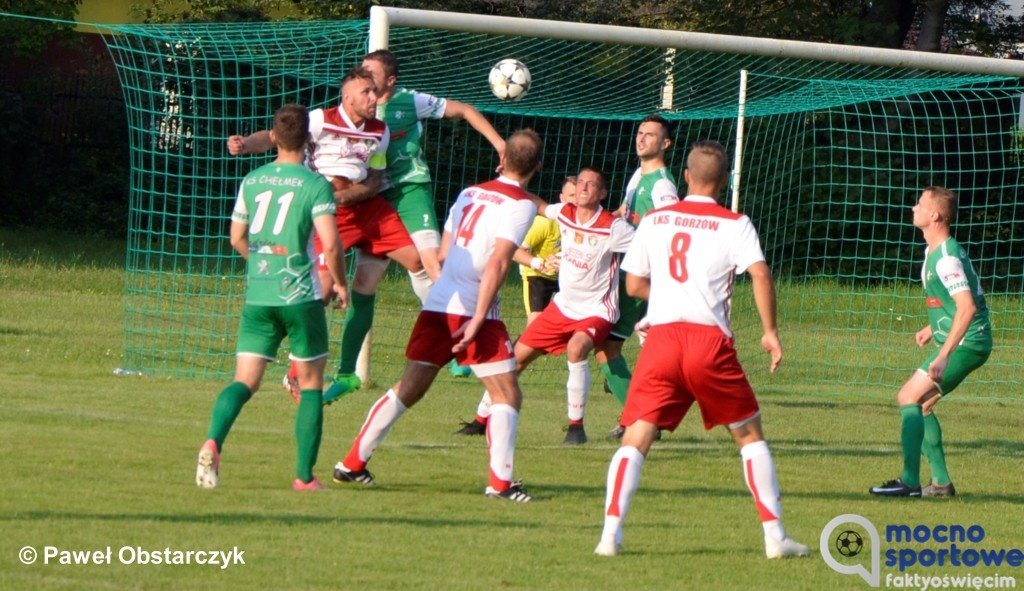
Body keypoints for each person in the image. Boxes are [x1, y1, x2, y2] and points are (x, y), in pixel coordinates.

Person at [594, 140, 809, 559]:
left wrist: (670, 294)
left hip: (662, 340)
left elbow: (634, 284)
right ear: (725, 180)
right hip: (708, 342)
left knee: (636, 437)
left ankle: (609, 536)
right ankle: (775, 537)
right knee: (749, 436)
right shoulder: (735, 223)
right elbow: (760, 275)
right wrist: (770, 331)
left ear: (687, 177)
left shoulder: (656, 221)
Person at [330, 129, 544, 502]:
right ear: (537, 168)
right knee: (506, 394)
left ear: (502, 159)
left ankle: (351, 464)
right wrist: (478, 317)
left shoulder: (469, 192)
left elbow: (443, 254)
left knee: (409, 388)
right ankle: (500, 485)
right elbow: (497, 262)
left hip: (439, 302)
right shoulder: (522, 205)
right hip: (475, 311)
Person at [227, 67, 430, 404]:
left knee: (416, 261)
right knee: (320, 291)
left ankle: (351, 370)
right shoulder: (321, 120)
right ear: (347, 96)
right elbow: (276, 134)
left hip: (367, 207)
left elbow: (375, 178)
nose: (373, 98)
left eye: (374, 92)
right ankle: (296, 366)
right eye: (366, 92)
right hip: (331, 214)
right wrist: (247, 144)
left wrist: (351, 195)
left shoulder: (380, 131)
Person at [196, 103, 349, 492]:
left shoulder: (253, 179)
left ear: (275, 137)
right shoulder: (316, 185)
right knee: (312, 385)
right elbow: (331, 246)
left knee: (245, 381)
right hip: (300, 296)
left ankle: (213, 440)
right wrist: (341, 283)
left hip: (259, 297)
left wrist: (261, 261)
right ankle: (303, 478)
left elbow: (236, 239)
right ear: (309, 140)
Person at [456, 167, 635, 445]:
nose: (583, 187)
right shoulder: (565, 213)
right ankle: (481, 420)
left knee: (577, 349)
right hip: (562, 307)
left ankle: (576, 428)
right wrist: (509, 187)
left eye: (591, 184)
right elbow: (539, 205)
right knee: (513, 359)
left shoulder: (613, 227)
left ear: (602, 193)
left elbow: (647, 248)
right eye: (580, 182)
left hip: (597, 311)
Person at [362, 50, 507, 380]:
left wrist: (499, 144)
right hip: (371, 197)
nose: (364, 74)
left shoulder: (410, 101)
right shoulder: (356, 106)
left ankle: (460, 336)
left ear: (391, 80)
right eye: (362, 69)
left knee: (430, 262)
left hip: (411, 189)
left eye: (372, 71)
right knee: (367, 279)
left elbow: (465, 109)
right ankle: (346, 367)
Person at [869, 186, 992, 498]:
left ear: (935, 215)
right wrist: (931, 326)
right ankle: (940, 484)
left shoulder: (946, 259)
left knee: (907, 397)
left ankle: (909, 482)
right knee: (922, 407)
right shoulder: (936, 252)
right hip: (967, 339)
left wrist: (943, 355)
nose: (914, 207)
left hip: (967, 344)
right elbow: (962, 300)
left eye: (920, 204)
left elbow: (968, 307)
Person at [603, 114, 679, 439]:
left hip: (642, 273)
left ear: (665, 143)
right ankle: (641, 412)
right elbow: (625, 211)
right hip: (627, 269)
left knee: (606, 348)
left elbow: (672, 225)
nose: (642, 138)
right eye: (640, 132)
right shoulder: (638, 175)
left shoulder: (662, 185)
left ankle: (640, 417)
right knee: (613, 346)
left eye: (650, 134)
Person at [515, 175, 576, 325]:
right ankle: (517, 349)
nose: (576, 201)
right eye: (571, 195)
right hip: (537, 277)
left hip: (564, 278)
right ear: (562, 198)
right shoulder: (545, 223)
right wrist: (539, 263)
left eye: (579, 195)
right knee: (535, 326)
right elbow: (515, 251)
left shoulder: (584, 226)